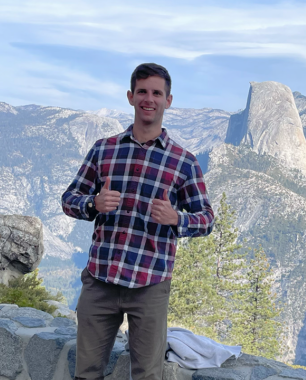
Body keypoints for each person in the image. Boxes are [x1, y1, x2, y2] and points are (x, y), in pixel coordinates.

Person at [62, 63, 215, 380]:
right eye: (143, 92)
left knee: (147, 375)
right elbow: (69, 199)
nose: (150, 99)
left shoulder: (183, 162)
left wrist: (176, 219)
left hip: (150, 286)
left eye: (157, 93)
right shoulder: (104, 150)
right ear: (131, 97)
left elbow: (207, 220)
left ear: (168, 101)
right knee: (86, 373)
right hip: (101, 280)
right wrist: (93, 203)